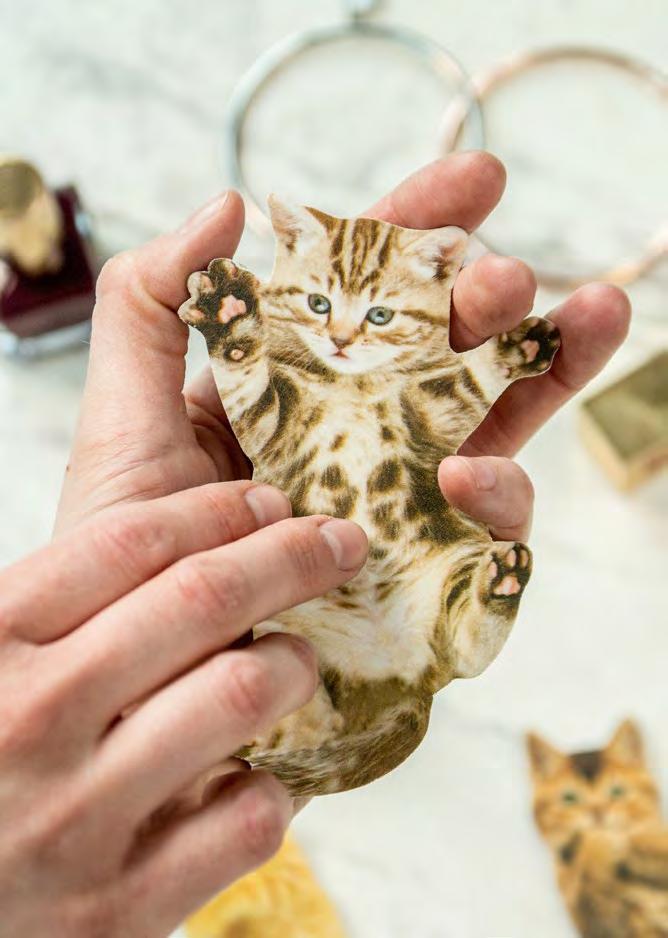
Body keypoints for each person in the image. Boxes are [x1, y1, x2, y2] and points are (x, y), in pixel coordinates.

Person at [0, 153, 630, 937]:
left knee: (447, 568)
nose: (340, 336)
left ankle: (469, 619)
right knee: (308, 639)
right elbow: (262, 420)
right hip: (311, 625)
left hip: (393, 594)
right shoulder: (293, 388)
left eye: (378, 318)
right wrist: (236, 346)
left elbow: (438, 413)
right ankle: (401, 654)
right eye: (318, 303)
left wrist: (496, 365)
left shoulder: (407, 386)